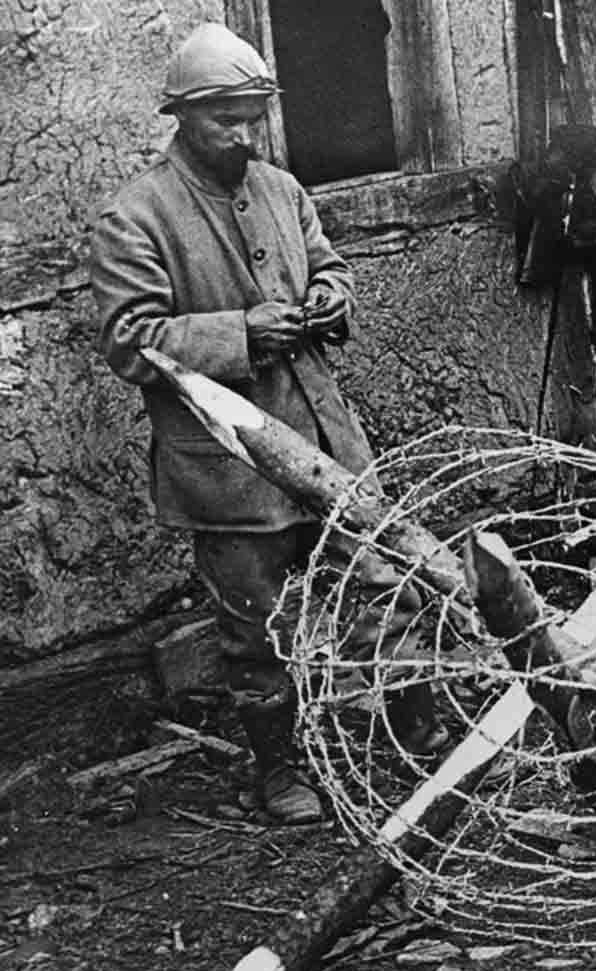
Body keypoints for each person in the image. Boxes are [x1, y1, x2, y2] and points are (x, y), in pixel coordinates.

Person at [90, 23, 440, 825]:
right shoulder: (135, 216)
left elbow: (330, 265)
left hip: (325, 439)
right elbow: (129, 340)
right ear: (181, 115)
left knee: (383, 581)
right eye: (227, 120)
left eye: (254, 116)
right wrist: (240, 335)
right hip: (229, 464)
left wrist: (331, 297)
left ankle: (415, 724)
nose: (245, 135)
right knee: (256, 627)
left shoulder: (281, 189)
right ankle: (278, 771)